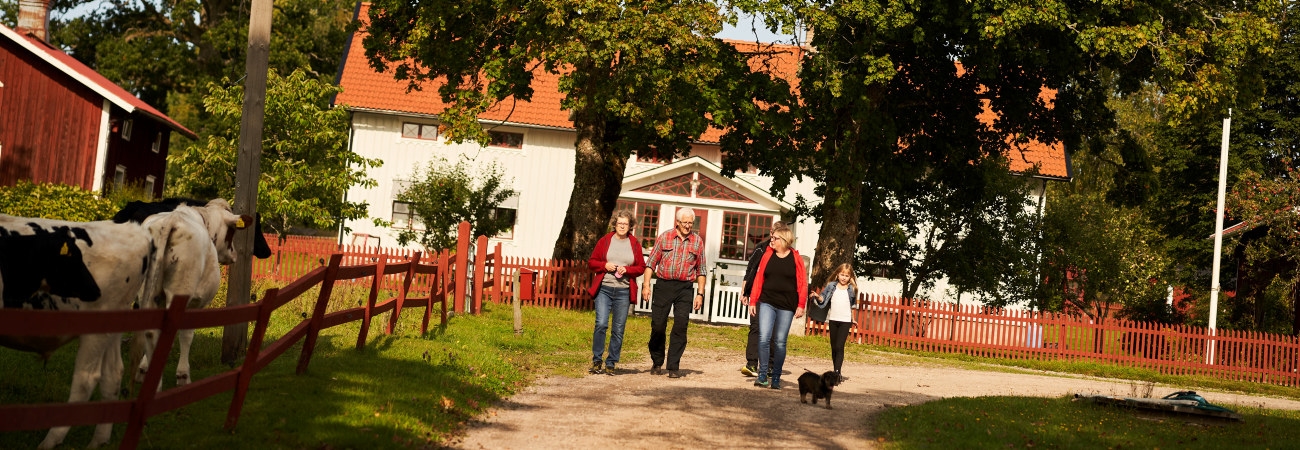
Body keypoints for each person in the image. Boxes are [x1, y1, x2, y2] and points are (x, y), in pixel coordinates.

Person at [642, 208, 706, 378]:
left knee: (680, 326)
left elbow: (702, 270)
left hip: (685, 288)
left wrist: (700, 294)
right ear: (677, 222)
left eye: (690, 223)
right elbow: (650, 264)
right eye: (684, 222)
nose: (687, 226)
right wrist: (646, 286)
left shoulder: (697, 241)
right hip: (664, 286)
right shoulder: (665, 237)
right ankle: (657, 361)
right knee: (658, 325)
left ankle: (673, 366)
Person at [587, 210, 646, 375]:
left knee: (618, 329)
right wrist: (604, 266)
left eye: (625, 224)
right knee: (601, 324)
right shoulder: (605, 240)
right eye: (620, 223)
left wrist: (627, 269)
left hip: (623, 291)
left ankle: (611, 362)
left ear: (630, 226)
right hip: (604, 289)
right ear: (615, 224)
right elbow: (592, 262)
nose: (622, 226)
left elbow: (641, 267)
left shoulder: (634, 243)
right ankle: (597, 360)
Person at [747, 227, 807, 389]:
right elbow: (759, 279)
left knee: (780, 342)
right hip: (767, 302)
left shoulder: (796, 258)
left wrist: (801, 305)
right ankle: (762, 375)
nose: (771, 240)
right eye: (771, 238)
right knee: (763, 338)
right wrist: (753, 301)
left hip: (787, 306)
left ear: (784, 240)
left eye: (775, 238)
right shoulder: (767, 254)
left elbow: (802, 283)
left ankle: (776, 377)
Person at [740, 221, 789, 377]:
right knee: (756, 327)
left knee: (774, 333)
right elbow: (751, 269)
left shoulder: (788, 253)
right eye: (773, 234)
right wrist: (745, 292)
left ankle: (770, 365)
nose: (774, 238)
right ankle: (752, 363)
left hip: (778, 298)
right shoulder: (761, 248)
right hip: (758, 295)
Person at [809, 262, 858, 380]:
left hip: (845, 321)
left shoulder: (852, 289)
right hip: (833, 319)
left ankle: (837, 373)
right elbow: (823, 299)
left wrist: (853, 319)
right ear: (837, 275)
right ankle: (836, 369)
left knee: (840, 346)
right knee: (834, 347)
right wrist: (816, 295)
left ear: (850, 277)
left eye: (846, 276)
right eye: (842, 275)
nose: (844, 278)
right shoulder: (831, 286)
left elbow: (853, 305)